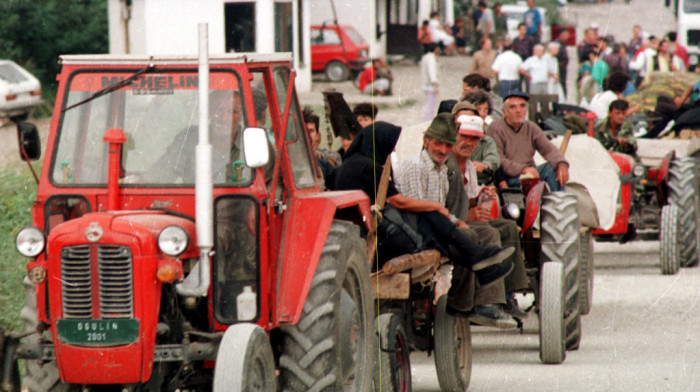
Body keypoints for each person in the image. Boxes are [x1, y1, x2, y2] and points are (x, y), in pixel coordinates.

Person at [333, 121, 515, 288]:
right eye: (391, 144)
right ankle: (478, 257)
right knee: (431, 216)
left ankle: (480, 264)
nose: (393, 149)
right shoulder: (369, 167)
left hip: (364, 233)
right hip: (377, 237)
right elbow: (398, 201)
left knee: (433, 226)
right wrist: (436, 207)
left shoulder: (350, 164)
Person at [394, 113, 518, 328]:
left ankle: (481, 298)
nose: (442, 150)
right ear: (426, 141)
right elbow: (418, 207)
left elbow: (438, 207)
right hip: (414, 229)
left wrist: (454, 220)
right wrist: (450, 219)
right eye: (437, 144)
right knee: (468, 234)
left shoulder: (441, 169)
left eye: (447, 145)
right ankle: (461, 301)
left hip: (433, 224)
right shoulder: (416, 166)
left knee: (480, 231)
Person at [451, 114, 530, 320]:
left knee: (509, 227)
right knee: (490, 232)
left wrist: (481, 198)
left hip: (461, 217)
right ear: (455, 136)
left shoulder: (468, 165)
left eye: (474, 139)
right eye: (464, 137)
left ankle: (508, 292)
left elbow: (466, 200)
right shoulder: (448, 163)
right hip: (449, 222)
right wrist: (469, 214)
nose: (468, 143)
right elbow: (442, 207)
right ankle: (487, 301)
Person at [488, 90, 569, 192]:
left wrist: (561, 163)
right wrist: (523, 169)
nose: (518, 110)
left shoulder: (531, 127)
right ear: (504, 112)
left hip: (530, 175)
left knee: (552, 168)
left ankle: (558, 201)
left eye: (522, 106)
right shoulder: (495, 128)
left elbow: (548, 149)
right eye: (512, 107)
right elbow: (498, 160)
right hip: (509, 179)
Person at [303, 107, 342, 187]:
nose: (307, 134)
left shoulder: (329, 156)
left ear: (317, 134)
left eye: (311, 131)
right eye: (304, 130)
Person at [421, 43, 441, 121]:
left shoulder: (426, 57)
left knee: (430, 104)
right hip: (430, 85)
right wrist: (435, 85)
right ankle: (427, 121)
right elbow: (432, 72)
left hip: (427, 84)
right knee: (430, 105)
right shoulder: (431, 58)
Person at [555, 29, 570, 98]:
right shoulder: (557, 44)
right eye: (566, 34)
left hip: (563, 68)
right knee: (560, 85)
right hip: (559, 68)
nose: (567, 36)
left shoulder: (563, 43)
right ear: (561, 35)